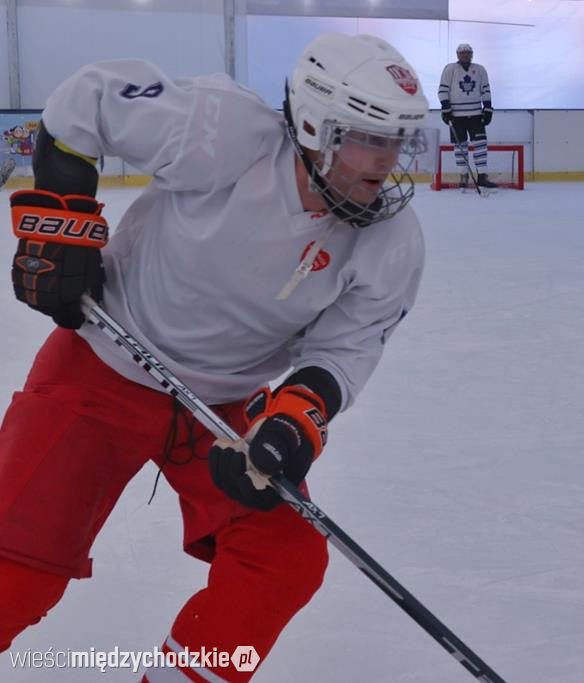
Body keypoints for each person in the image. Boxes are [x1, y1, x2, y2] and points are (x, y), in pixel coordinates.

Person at [0, 33, 428, 680]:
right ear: (314, 126)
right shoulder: (226, 133)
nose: (386, 160)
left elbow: (344, 350)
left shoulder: (392, 243)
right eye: (369, 137)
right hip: (101, 363)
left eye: (398, 139)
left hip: (222, 410)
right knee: (16, 570)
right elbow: (86, 100)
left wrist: (290, 424)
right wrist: (59, 223)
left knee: (284, 557)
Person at [438, 43, 496, 190]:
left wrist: (488, 108)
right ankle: (463, 176)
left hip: (476, 114)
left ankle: (482, 176)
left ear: (472, 54)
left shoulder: (480, 69)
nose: (465, 55)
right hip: (457, 116)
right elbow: (443, 90)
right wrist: (446, 109)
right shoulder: (450, 69)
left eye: (468, 53)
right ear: (458, 55)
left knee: (480, 144)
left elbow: (486, 89)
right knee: (460, 146)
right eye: (462, 53)